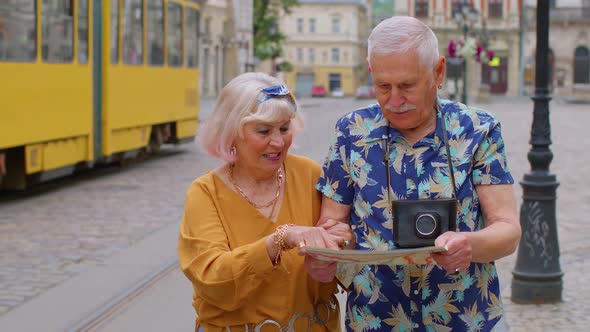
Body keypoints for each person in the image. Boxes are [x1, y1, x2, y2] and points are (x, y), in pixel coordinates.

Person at [305, 16, 521, 331]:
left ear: (438, 72)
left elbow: (507, 230)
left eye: (407, 85)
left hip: (466, 319)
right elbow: (332, 224)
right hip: (376, 320)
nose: (394, 101)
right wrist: (326, 255)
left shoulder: (476, 129)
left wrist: (468, 245)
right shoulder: (351, 131)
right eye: (383, 86)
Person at [178, 72, 352, 332]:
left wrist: (342, 251)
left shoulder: (310, 175)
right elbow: (213, 280)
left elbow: (346, 272)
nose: (279, 142)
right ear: (231, 133)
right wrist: (277, 241)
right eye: (263, 131)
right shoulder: (205, 193)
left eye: (284, 128)